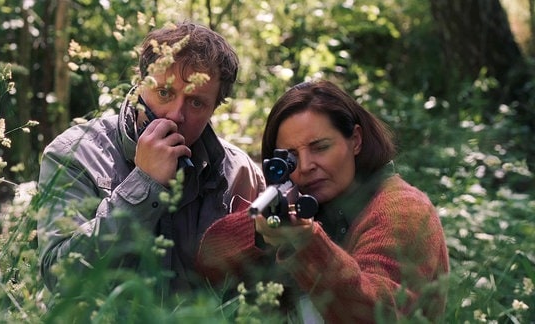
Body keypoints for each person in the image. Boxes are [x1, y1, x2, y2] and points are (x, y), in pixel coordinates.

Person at [37, 22, 265, 294]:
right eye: (164, 93)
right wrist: (144, 184)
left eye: (196, 103)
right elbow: (60, 278)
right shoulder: (77, 154)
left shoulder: (239, 172)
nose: (175, 115)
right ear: (140, 85)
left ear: (214, 108)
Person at [196, 80, 450, 322]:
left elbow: (378, 314)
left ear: (356, 140)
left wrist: (308, 244)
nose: (305, 166)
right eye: (291, 157)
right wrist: (261, 230)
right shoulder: (309, 202)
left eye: (320, 147)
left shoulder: (401, 208)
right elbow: (210, 259)